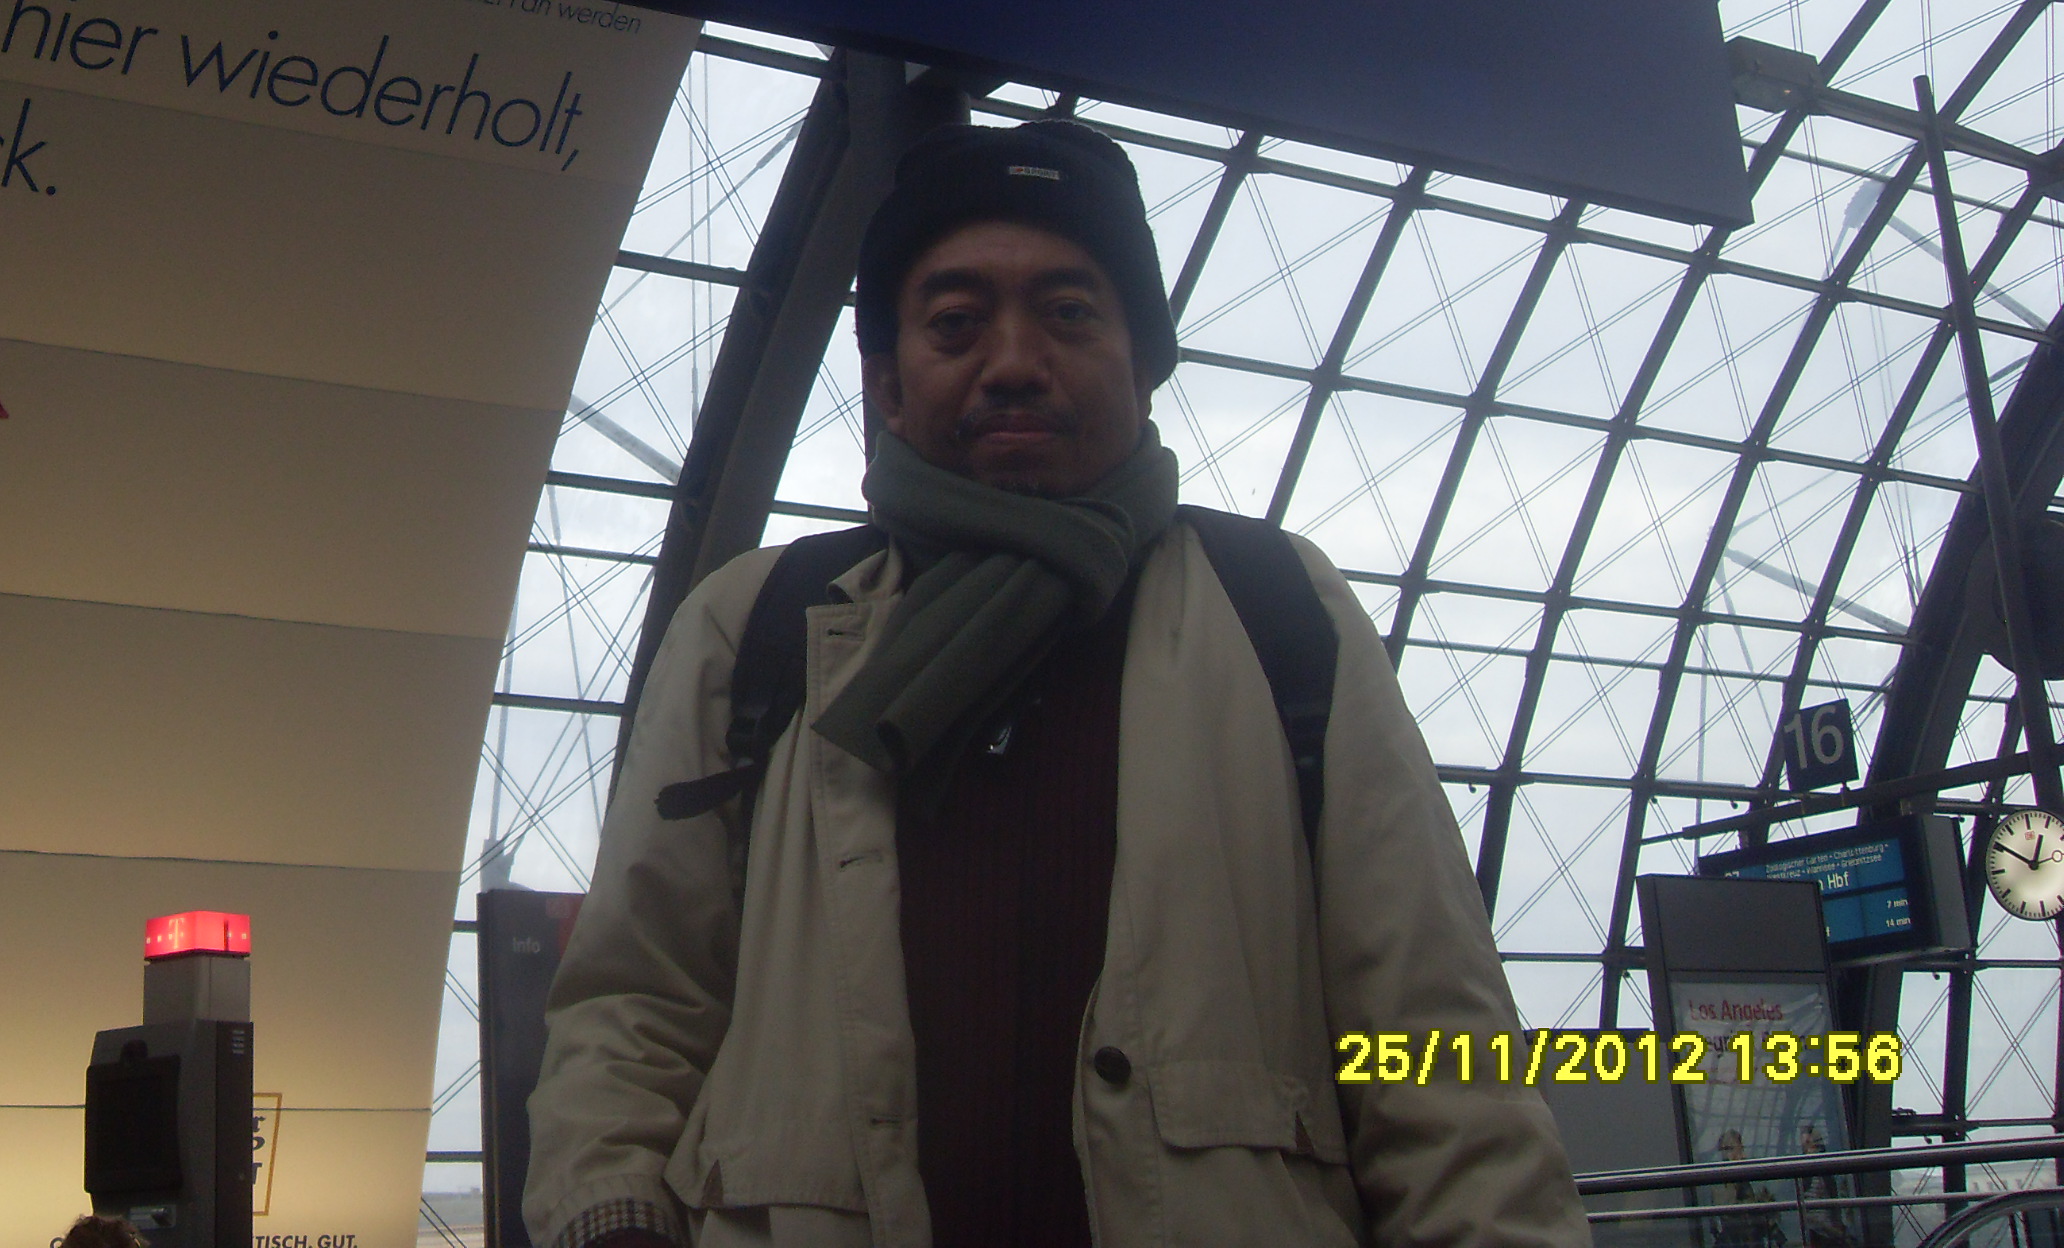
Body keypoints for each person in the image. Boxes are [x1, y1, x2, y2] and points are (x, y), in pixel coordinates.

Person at [526, 119, 1589, 1248]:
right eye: (955, 323)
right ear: (887, 384)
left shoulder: (1278, 611)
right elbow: (636, 1005)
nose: (1014, 361)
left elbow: (1432, 1038)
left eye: (1070, 313)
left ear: (1144, 363)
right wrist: (615, 1222)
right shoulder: (757, 626)